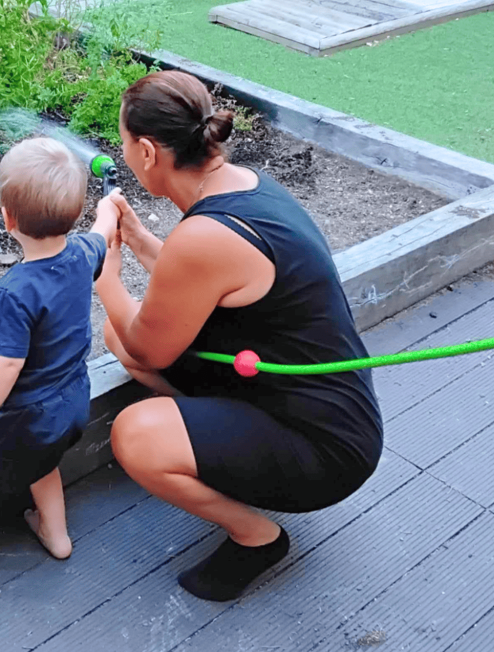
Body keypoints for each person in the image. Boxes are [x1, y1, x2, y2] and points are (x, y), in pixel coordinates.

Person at [97, 70, 383, 602]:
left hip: (324, 448)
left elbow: (147, 344)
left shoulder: (206, 235)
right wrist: (137, 239)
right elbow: (200, 280)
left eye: (123, 142)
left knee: (134, 432)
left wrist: (103, 273)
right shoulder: (245, 185)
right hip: (300, 398)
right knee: (117, 335)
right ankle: (210, 438)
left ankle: (257, 537)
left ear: (147, 152)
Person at [0, 137, 120, 601]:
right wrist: (109, 206)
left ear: (7, 217)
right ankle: (57, 536)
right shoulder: (84, 254)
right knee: (44, 463)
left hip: (27, 415)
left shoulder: (14, 292)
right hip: (73, 402)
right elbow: (104, 228)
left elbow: (7, 364)